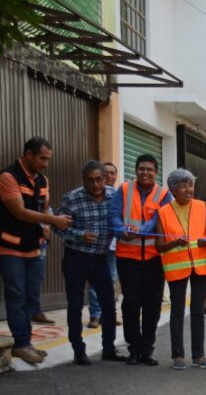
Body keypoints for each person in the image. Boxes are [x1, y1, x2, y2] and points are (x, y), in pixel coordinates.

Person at [0, 136, 72, 365]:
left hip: (33, 247)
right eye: (42, 158)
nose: (46, 163)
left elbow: (44, 208)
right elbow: (20, 212)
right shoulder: (7, 177)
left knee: (31, 298)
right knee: (17, 295)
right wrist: (53, 220)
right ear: (28, 155)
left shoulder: (42, 180)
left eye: (48, 159)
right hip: (7, 247)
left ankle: (26, 342)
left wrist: (46, 226)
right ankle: (21, 344)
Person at [57, 161, 128, 365]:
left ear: (106, 179)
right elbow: (58, 227)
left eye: (99, 179)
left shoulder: (115, 196)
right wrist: (79, 235)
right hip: (75, 258)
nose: (95, 185)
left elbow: (122, 219)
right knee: (75, 305)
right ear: (83, 180)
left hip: (100, 258)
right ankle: (78, 350)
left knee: (108, 304)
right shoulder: (71, 198)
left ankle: (109, 348)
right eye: (90, 180)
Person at [110, 153, 171, 366]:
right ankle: (134, 349)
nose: (145, 172)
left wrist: (142, 230)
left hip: (154, 258)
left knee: (152, 305)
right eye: (141, 169)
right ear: (136, 170)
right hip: (127, 258)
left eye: (149, 169)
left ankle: (147, 350)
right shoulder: (124, 190)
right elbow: (114, 215)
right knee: (131, 304)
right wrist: (121, 230)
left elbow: (159, 219)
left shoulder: (164, 194)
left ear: (156, 172)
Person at [155, 169, 206, 370]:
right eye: (183, 186)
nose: (188, 190)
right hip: (177, 267)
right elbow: (159, 246)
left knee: (198, 310)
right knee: (177, 310)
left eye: (190, 185)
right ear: (173, 190)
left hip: (201, 267)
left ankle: (199, 355)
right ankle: (178, 356)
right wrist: (175, 242)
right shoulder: (163, 212)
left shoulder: (201, 206)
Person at [88, 161, 121, 330]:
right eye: (106, 173)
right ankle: (95, 315)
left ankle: (107, 315)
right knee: (95, 281)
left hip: (113, 247)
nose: (109, 176)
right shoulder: (91, 195)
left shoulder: (119, 195)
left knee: (111, 281)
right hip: (95, 246)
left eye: (112, 173)